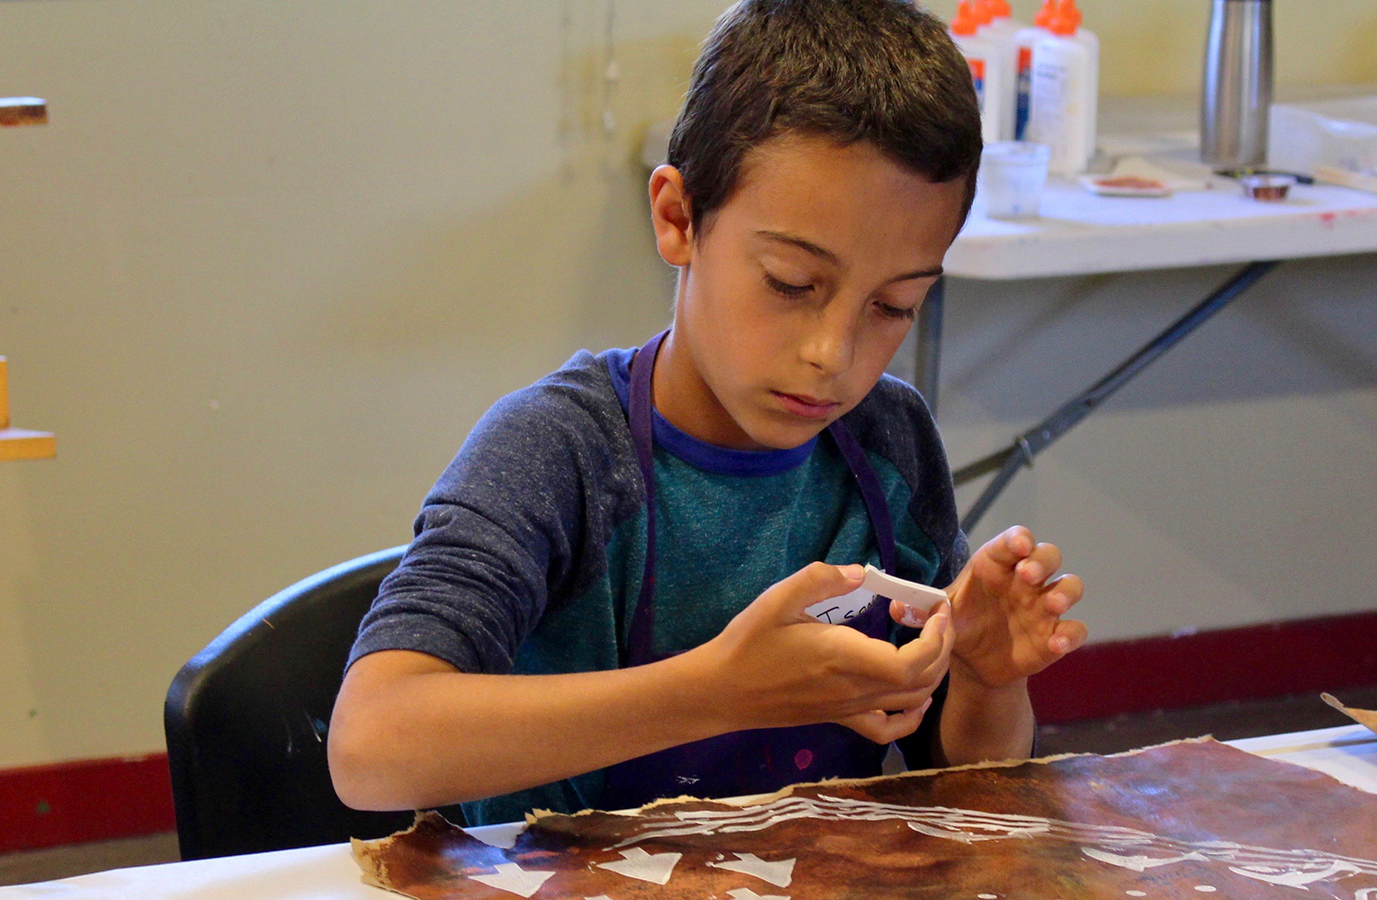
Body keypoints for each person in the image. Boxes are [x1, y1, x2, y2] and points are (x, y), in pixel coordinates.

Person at [328, 0, 1087, 826]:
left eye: (894, 306)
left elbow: (970, 781)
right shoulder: (563, 452)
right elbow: (371, 748)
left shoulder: (888, 442)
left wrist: (986, 675)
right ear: (678, 218)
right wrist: (718, 692)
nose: (834, 354)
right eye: (792, 285)